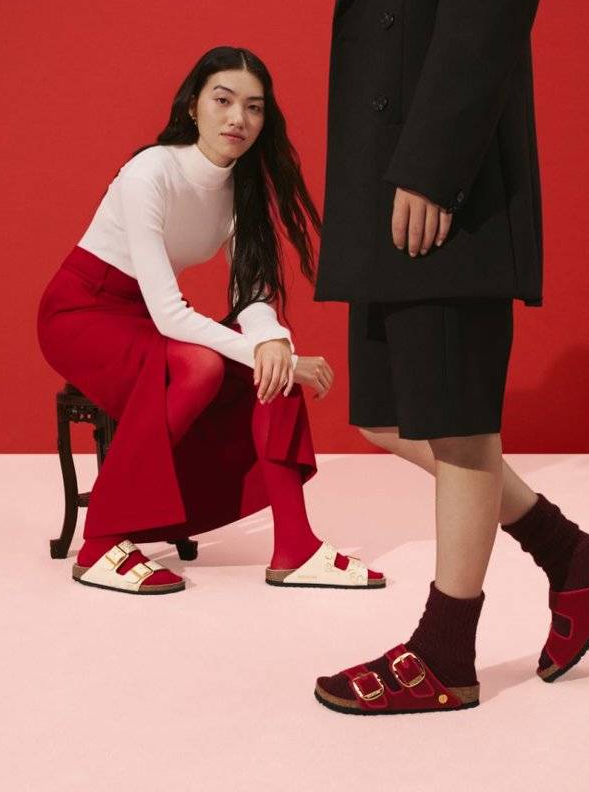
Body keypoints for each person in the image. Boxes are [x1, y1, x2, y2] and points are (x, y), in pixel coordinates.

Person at [312, 0, 589, 713]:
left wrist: (434, 167)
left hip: (444, 186)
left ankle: (444, 656)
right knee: (388, 418)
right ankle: (574, 557)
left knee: (457, 427)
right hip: (383, 182)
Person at [37, 46, 384, 595]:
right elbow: (169, 312)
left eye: (254, 107)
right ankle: (102, 540)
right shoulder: (150, 171)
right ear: (192, 106)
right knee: (202, 367)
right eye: (223, 100)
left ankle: (295, 547)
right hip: (81, 313)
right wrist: (271, 350)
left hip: (143, 320)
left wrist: (274, 344)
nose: (237, 118)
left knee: (271, 367)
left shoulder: (240, 189)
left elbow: (252, 292)